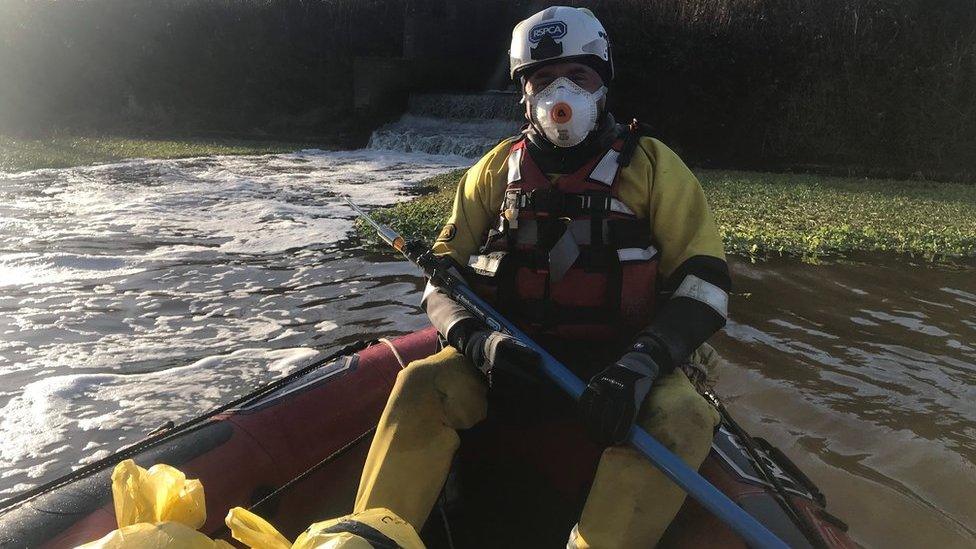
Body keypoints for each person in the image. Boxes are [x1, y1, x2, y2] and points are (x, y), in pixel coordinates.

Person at [355, 6, 730, 548]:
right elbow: (443, 278)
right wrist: (478, 342)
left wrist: (641, 365)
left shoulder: (653, 165)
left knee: (685, 419)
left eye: (577, 77)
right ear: (523, 93)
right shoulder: (494, 170)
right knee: (421, 385)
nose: (562, 94)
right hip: (510, 362)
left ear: (602, 84)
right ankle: (373, 538)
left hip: (625, 368)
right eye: (543, 79)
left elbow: (706, 285)